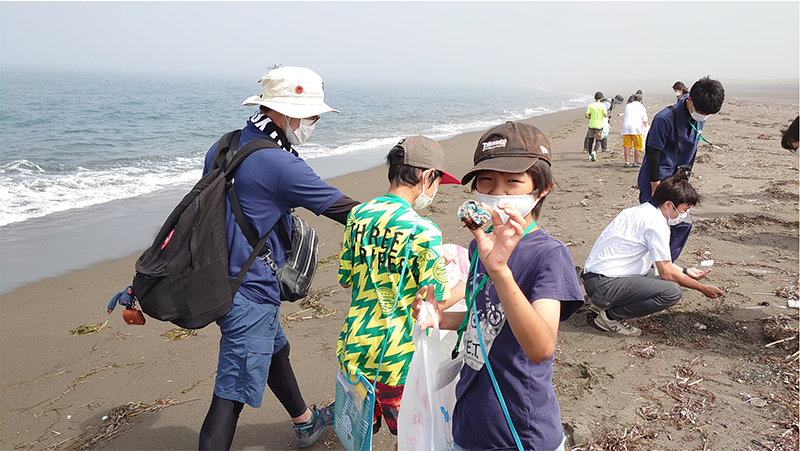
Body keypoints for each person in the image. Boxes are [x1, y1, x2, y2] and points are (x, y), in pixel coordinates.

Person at [198, 66, 360, 450]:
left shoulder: (229, 142)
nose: (315, 122)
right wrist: (406, 215)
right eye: (312, 115)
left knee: (276, 350)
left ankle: (305, 423)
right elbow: (351, 212)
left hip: (222, 278)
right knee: (230, 396)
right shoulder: (280, 165)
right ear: (284, 113)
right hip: (249, 292)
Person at [413, 122, 584, 451]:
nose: (498, 193)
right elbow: (483, 320)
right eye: (487, 181)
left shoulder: (549, 255)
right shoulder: (479, 245)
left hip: (519, 430)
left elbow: (541, 348)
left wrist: (500, 270)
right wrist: (439, 317)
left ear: (541, 188)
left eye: (513, 182)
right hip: (470, 419)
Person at [336, 136, 460, 440]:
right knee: (410, 433)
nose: (435, 191)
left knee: (360, 431)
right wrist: (468, 283)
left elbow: (346, 277)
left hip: (355, 347)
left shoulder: (358, 214)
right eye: (437, 182)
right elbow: (437, 300)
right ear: (425, 175)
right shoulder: (424, 230)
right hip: (397, 357)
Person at [582, 171, 725, 336]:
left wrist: (685, 271)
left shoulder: (637, 211)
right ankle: (610, 317)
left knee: (653, 273)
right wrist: (702, 288)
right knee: (671, 291)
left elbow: (654, 261)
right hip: (604, 285)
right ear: (668, 205)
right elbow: (667, 273)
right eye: (684, 209)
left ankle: (602, 304)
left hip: (595, 278)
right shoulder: (656, 224)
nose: (684, 215)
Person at [637, 76, 725, 262]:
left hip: (678, 180)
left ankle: (663, 264)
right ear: (689, 99)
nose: (703, 116)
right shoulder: (665, 118)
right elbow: (652, 153)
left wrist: (685, 181)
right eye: (701, 112)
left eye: (708, 114)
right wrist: (655, 185)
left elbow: (692, 148)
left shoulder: (699, 117)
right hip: (657, 179)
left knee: (682, 224)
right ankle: (642, 264)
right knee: (653, 226)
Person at [621, 93, 649, 167]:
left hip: (626, 127)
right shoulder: (641, 107)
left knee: (627, 145)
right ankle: (636, 161)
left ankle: (626, 162)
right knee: (638, 146)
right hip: (636, 128)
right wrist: (644, 130)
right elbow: (645, 120)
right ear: (641, 101)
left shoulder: (628, 106)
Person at [584, 92, 608, 161]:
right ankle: (594, 152)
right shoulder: (603, 105)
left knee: (590, 139)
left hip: (591, 124)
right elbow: (605, 115)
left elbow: (586, 115)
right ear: (601, 98)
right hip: (599, 125)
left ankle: (589, 154)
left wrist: (591, 118)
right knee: (599, 139)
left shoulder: (590, 105)